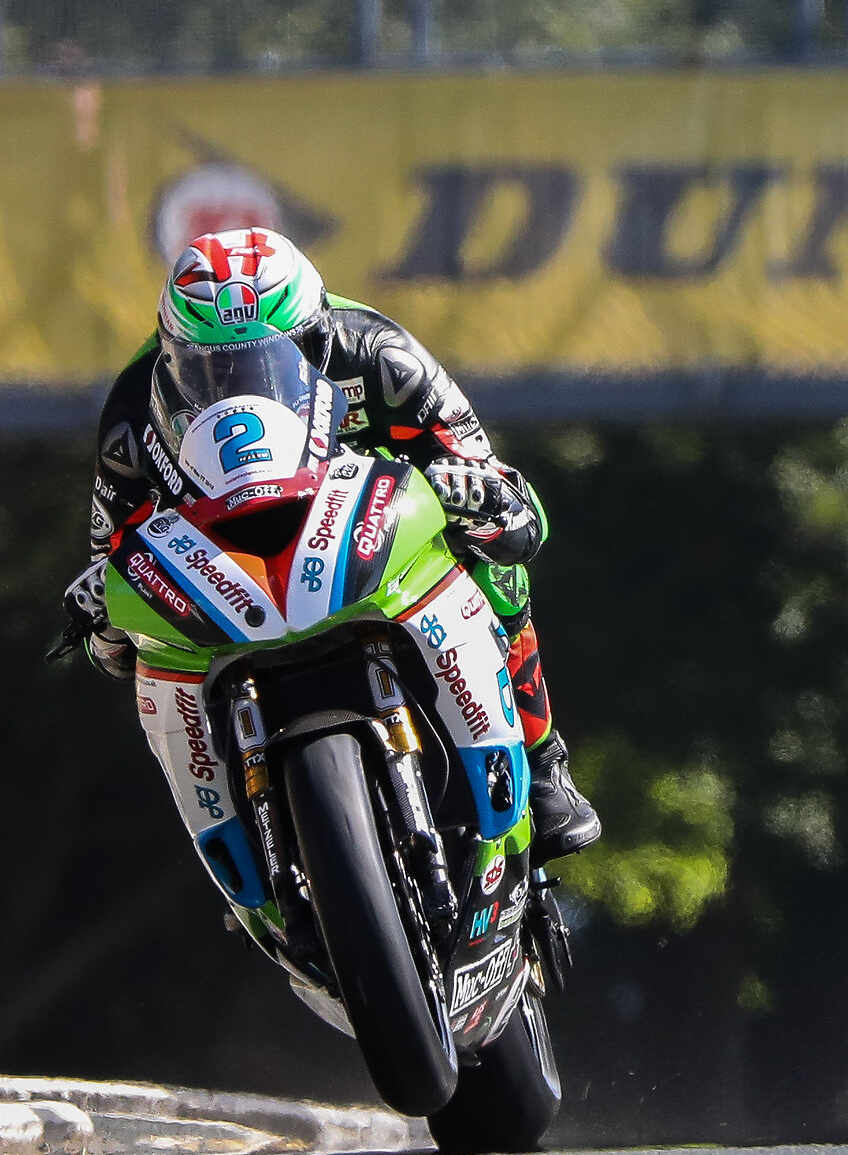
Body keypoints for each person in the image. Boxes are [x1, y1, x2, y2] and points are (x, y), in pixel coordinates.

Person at [65, 227, 601, 863]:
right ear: (171, 355)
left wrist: (476, 494)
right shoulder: (134, 409)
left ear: (318, 333)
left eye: (278, 355)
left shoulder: (382, 355)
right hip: (234, 572)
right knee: (137, 655)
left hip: (372, 530)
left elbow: (493, 481)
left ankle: (543, 759)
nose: (246, 383)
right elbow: (111, 553)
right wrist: (103, 609)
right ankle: (244, 844)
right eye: (215, 370)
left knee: (499, 561)